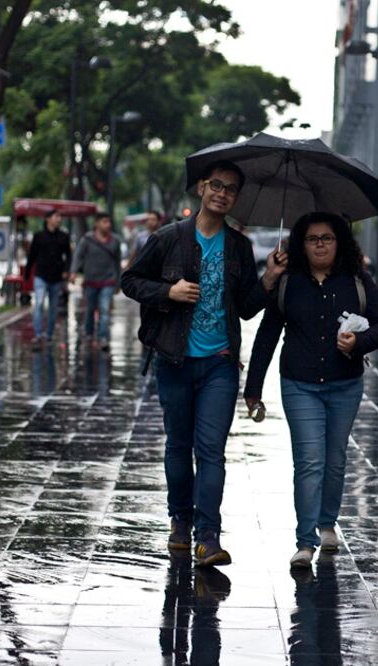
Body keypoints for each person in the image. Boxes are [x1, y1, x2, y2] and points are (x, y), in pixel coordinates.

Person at [121, 159, 287, 567]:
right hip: (174, 359)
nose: (222, 193)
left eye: (230, 189)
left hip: (219, 363)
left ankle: (208, 536)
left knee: (211, 450)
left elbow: (245, 308)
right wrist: (168, 292)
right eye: (216, 185)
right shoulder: (167, 238)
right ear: (201, 188)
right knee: (179, 445)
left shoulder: (239, 246)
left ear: (236, 198)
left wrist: (268, 279)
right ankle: (180, 520)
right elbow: (130, 281)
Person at [244, 212, 378, 568]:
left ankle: (327, 523)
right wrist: (253, 387)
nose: (320, 245)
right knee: (310, 461)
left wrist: (358, 342)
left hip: (345, 384)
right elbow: (267, 335)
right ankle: (305, 541)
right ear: (302, 244)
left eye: (327, 238)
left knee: (335, 459)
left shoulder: (356, 280)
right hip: (300, 384)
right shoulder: (288, 281)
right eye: (312, 239)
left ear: (339, 242)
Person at [71, 212, 123, 352]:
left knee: (104, 309)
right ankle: (89, 334)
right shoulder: (87, 239)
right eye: (105, 221)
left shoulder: (115, 241)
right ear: (97, 223)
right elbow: (78, 256)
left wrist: (118, 281)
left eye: (109, 222)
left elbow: (117, 262)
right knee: (90, 310)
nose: (108, 225)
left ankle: (103, 337)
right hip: (90, 281)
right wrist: (73, 272)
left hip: (108, 280)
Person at [26, 210, 72, 346]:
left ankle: (49, 335)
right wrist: (27, 274)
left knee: (53, 307)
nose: (59, 219)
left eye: (60, 216)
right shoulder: (38, 236)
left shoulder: (64, 236)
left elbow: (68, 256)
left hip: (56, 276)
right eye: (56, 216)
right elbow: (32, 255)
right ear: (48, 219)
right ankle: (38, 334)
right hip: (41, 275)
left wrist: (66, 271)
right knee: (39, 303)